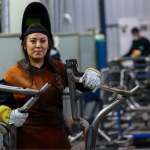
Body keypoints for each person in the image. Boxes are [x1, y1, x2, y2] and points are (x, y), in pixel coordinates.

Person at [0, 2, 101, 149]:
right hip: (27, 143)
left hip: (58, 141)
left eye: (43, 41)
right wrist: (8, 115)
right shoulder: (12, 75)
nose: (38, 45)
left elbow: (82, 82)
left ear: (49, 45)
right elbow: (1, 103)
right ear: (24, 45)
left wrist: (93, 73)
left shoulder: (59, 68)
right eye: (33, 41)